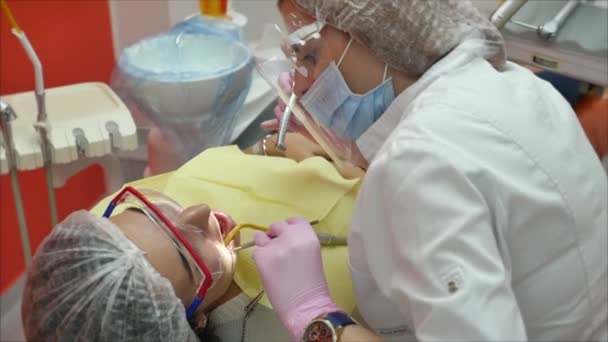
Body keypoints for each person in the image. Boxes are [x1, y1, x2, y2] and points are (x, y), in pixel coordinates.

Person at [251, 0, 608, 341]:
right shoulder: (516, 85)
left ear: (381, 32)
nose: (299, 86)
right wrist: (353, 148)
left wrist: (315, 317)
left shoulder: (419, 162)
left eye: (309, 56)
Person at [21, 141, 361, 341]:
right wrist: (315, 313)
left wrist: (271, 147)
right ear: (192, 320)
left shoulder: (104, 239)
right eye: (187, 257)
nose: (198, 212)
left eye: (151, 212)